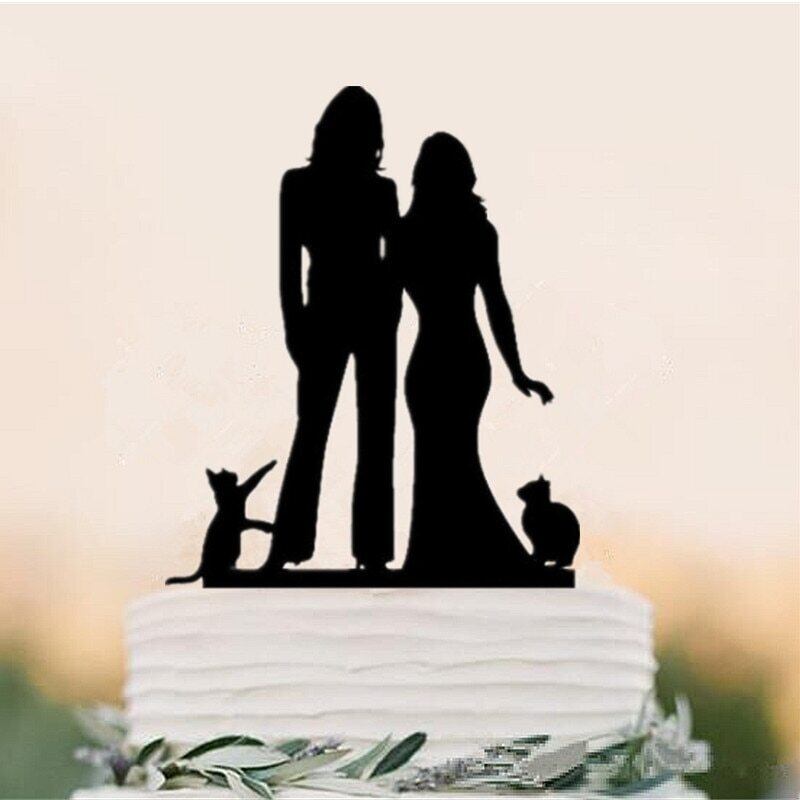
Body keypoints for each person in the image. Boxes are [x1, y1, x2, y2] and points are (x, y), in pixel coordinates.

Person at [392, 132, 553, 579]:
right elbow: (495, 304)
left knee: (444, 458)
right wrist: (516, 371)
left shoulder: (406, 233)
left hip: (435, 361)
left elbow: (495, 303)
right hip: (462, 357)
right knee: (444, 457)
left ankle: (437, 558)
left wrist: (518, 371)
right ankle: (437, 557)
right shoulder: (475, 231)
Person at [264, 87, 400, 572]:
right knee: (329, 434)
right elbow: (288, 264)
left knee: (354, 435)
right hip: (333, 318)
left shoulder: (356, 189)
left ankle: (362, 553)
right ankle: (304, 548)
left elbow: (394, 263)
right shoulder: (305, 185)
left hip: (348, 317)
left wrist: (295, 325)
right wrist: (294, 328)